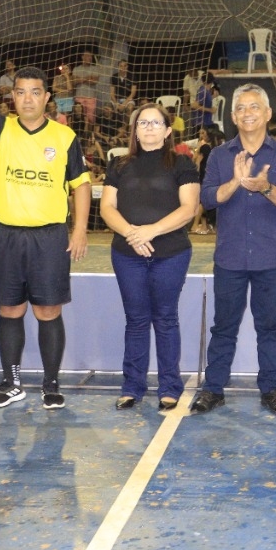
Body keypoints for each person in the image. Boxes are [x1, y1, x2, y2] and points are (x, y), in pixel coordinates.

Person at [0, 21, 91, 410]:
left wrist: (79, 229)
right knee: (9, 309)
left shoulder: (65, 137)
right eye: (21, 92)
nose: (28, 99)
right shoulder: (1, 128)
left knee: (48, 310)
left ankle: (51, 384)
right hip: (7, 235)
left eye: (35, 92)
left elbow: (80, 185)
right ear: (12, 97)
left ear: (48, 97)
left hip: (49, 237)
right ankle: (11, 383)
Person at [190, 83, 276, 415]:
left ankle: (271, 389)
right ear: (234, 117)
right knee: (224, 327)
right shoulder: (220, 156)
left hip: (271, 257)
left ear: (267, 114)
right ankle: (213, 389)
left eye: (254, 107)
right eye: (240, 108)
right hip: (230, 257)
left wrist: (265, 187)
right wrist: (235, 182)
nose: (247, 113)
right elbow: (208, 198)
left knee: (269, 327)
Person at [100, 103, 200, 411]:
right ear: (135, 130)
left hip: (170, 253)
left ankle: (170, 386)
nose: (149, 127)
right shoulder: (118, 164)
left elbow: (188, 209)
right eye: (143, 123)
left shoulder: (182, 163)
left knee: (166, 318)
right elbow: (107, 208)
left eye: (156, 123)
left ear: (168, 131)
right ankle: (132, 387)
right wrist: (132, 234)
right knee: (136, 320)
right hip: (127, 254)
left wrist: (151, 231)